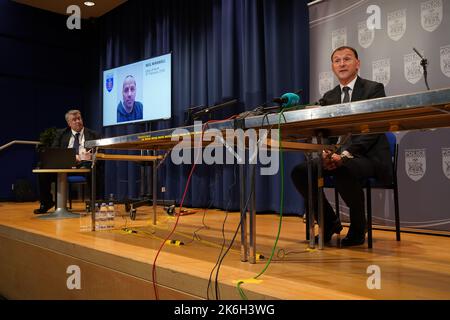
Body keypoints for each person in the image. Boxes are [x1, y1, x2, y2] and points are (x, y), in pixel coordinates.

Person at [291, 46, 392, 246]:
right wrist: (327, 153)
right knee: (300, 172)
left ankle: (358, 227)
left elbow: (373, 129)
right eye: (337, 60)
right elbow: (327, 134)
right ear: (332, 67)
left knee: (342, 168)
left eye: (347, 59)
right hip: (338, 157)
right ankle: (329, 223)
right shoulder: (329, 97)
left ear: (358, 64)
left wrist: (344, 155)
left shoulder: (374, 89)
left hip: (368, 157)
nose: (342, 64)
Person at [34, 110, 103, 214]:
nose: (77, 121)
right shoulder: (61, 134)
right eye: (74, 120)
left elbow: (101, 152)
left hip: (85, 164)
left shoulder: (93, 134)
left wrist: (91, 155)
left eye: (79, 118)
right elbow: (54, 151)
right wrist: (72, 157)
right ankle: (46, 202)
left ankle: (95, 203)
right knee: (42, 169)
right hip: (65, 164)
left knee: (93, 169)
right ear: (69, 123)